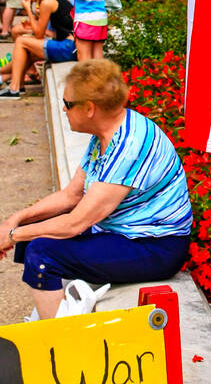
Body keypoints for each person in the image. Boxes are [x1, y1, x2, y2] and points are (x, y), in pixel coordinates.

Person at [0, 59, 191, 319]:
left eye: (67, 104)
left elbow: (75, 223)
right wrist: (16, 220)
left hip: (154, 247)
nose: (64, 109)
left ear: (89, 108)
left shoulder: (129, 146)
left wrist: (12, 235)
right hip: (122, 232)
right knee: (34, 236)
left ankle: (59, 340)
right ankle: (54, 311)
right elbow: (71, 195)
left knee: (41, 253)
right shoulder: (107, 132)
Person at [0, 0, 76, 98]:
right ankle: (14, 84)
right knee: (27, 54)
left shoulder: (48, 2)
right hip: (69, 45)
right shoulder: (56, 0)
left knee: (21, 41)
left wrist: (28, 9)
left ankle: (14, 89)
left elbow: (39, 34)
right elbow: (55, 32)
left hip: (68, 47)